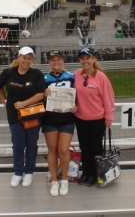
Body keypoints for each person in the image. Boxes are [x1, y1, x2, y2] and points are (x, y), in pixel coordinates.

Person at [0, 46, 46, 188]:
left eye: (29, 58)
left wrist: (24, 104)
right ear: (18, 57)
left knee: (31, 144)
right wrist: (4, 100)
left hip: (32, 114)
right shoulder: (8, 72)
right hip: (14, 116)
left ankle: (29, 172)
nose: (26, 61)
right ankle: (18, 172)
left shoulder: (36, 74)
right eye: (24, 58)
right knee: (18, 145)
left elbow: (41, 94)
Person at [73, 48, 115, 187]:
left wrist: (108, 118)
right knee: (84, 148)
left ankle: (96, 174)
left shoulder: (101, 77)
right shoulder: (76, 75)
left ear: (93, 59)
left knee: (96, 148)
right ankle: (86, 172)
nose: (85, 61)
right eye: (82, 58)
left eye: (87, 58)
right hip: (80, 118)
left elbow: (108, 98)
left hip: (97, 119)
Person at [42, 50, 76, 197]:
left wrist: (76, 106)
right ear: (49, 62)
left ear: (63, 61)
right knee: (52, 149)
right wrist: (44, 95)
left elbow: (78, 95)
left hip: (67, 117)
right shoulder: (43, 78)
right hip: (49, 118)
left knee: (63, 150)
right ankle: (54, 181)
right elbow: (39, 98)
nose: (56, 62)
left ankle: (65, 179)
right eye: (53, 60)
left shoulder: (71, 76)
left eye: (59, 60)